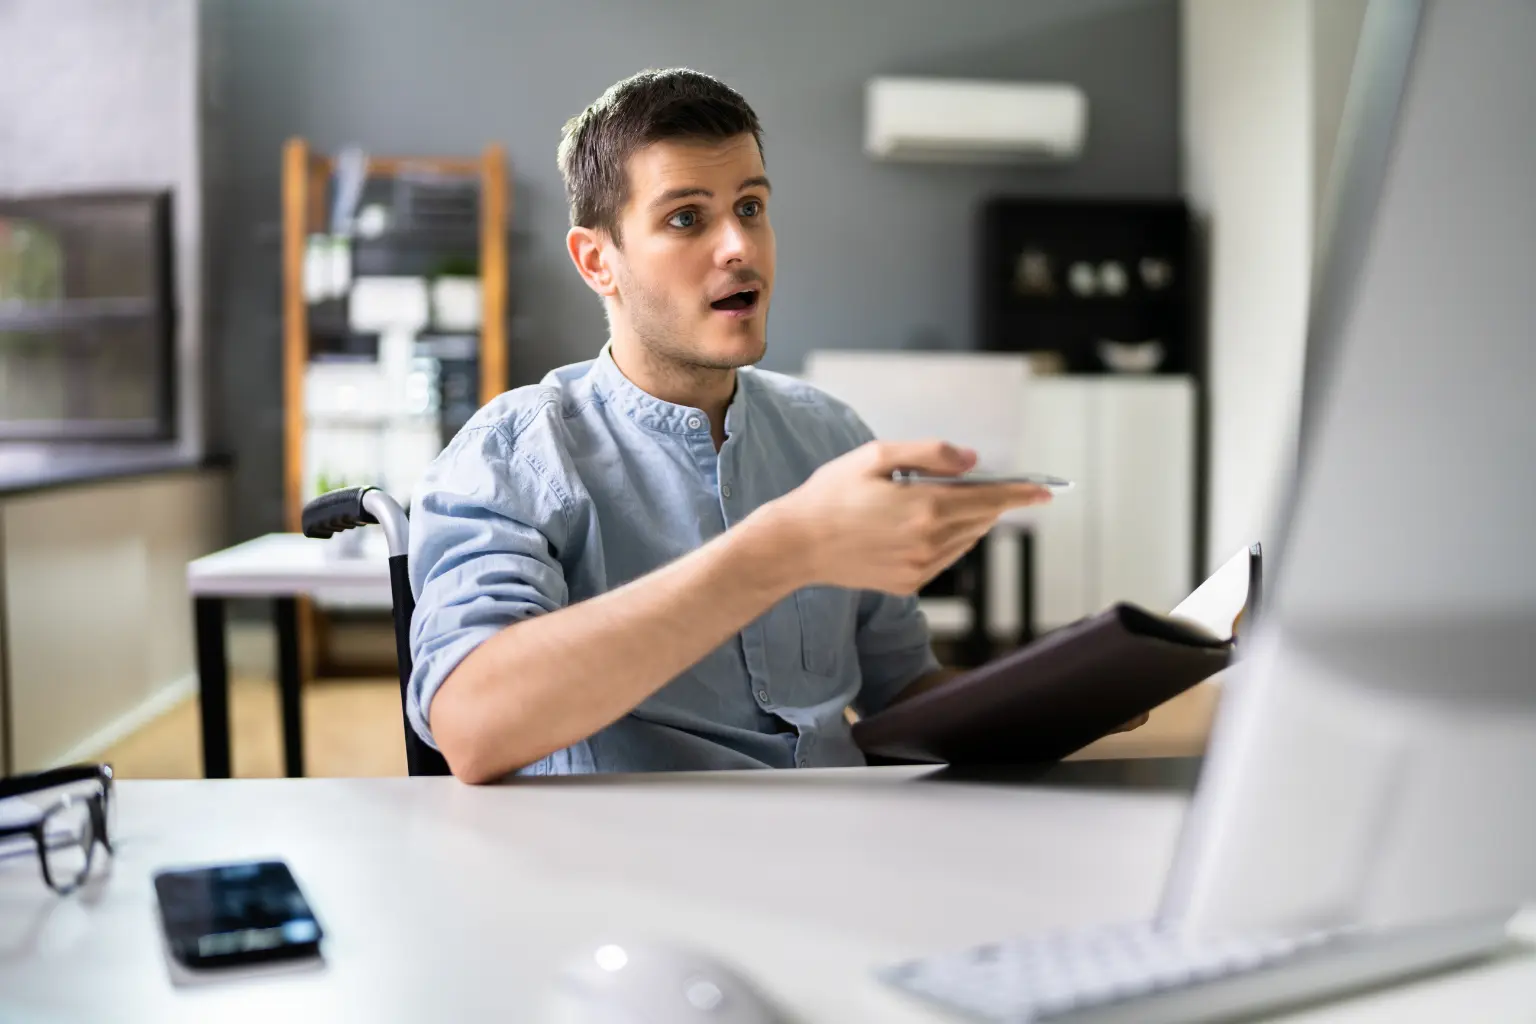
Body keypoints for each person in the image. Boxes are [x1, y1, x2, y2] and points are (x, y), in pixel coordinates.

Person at [408, 68, 1057, 783]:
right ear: (599, 262)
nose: (738, 247)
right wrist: (784, 548)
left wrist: (1051, 694)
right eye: (686, 218)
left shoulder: (830, 433)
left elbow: (898, 688)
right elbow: (471, 726)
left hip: (841, 855)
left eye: (750, 207)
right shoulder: (513, 455)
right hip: (630, 871)